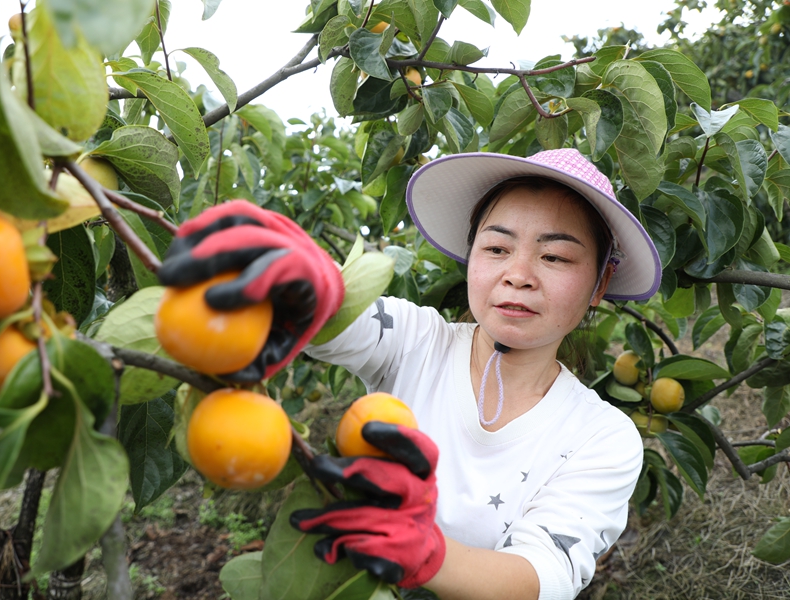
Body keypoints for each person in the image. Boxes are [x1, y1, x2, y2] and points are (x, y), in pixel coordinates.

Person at [159, 148, 662, 600]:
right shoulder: (417, 340)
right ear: (470, 259)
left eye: (554, 256)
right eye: (496, 248)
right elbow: (338, 323)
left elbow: (544, 575)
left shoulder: (603, 437)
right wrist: (311, 287)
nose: (519, 273)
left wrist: (430, 553)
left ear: (600, 284)